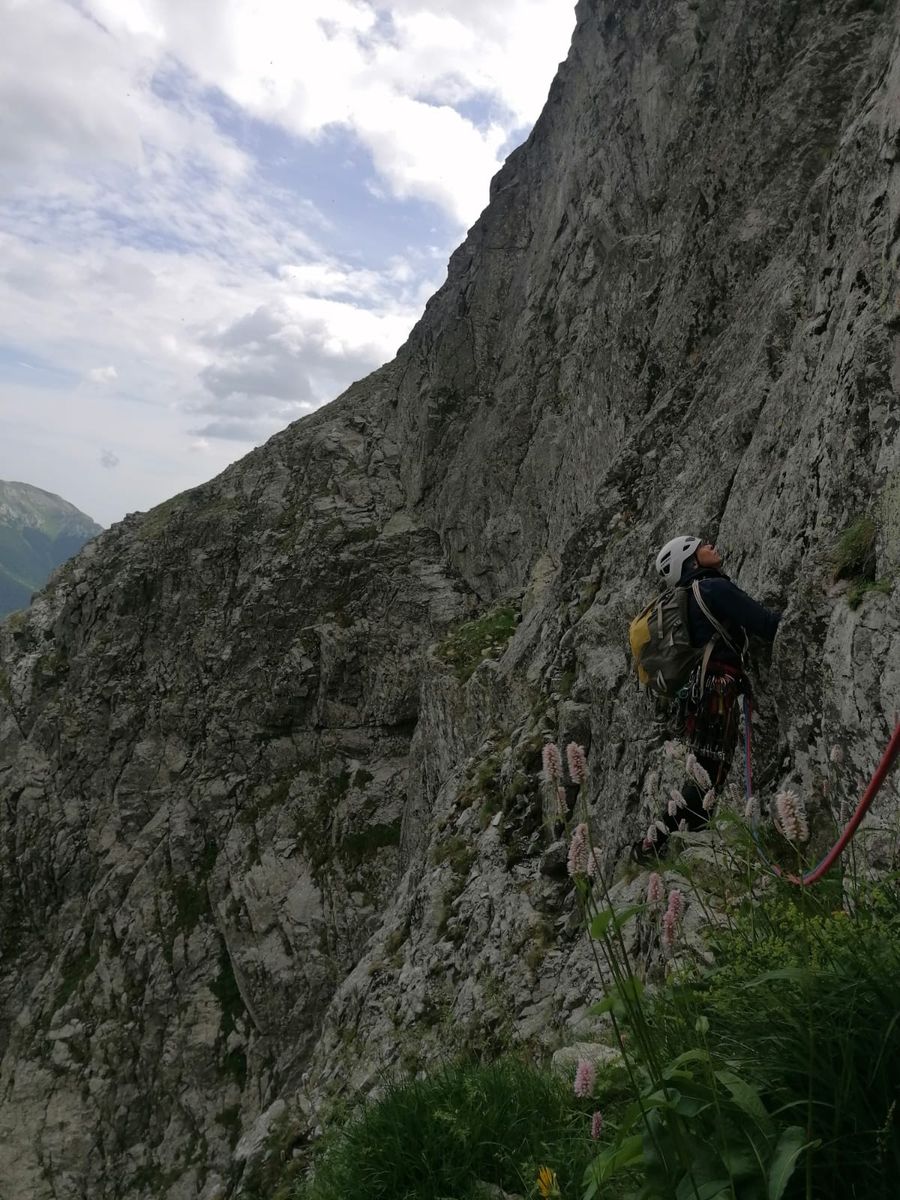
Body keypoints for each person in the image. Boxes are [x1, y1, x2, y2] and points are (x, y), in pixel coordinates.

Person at [636, 535, 781, 859]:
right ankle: (659, 843)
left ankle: (663, 841)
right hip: (718, 689)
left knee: (706, 769)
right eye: (702, 545)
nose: (712, 545)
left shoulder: (688, 596)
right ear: (691, 560)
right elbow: (766, 625)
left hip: (699, 691)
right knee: (709, 773)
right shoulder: (714, 588)